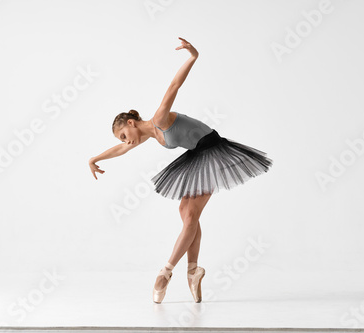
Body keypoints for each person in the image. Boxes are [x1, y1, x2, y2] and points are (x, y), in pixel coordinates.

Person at [89, 37, 273, 304]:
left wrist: (192, 57)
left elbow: (174, 86)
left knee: (190, 216)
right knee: (186, 213)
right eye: (121, 138)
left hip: (211, 150)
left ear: (131, 122)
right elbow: (121, 150)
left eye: (123, 134)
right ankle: (193, 271)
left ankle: (166, 272)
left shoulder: (159, 120)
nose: (125, 141)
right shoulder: (147, 136)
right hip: (196, 155)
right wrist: (94, 158)